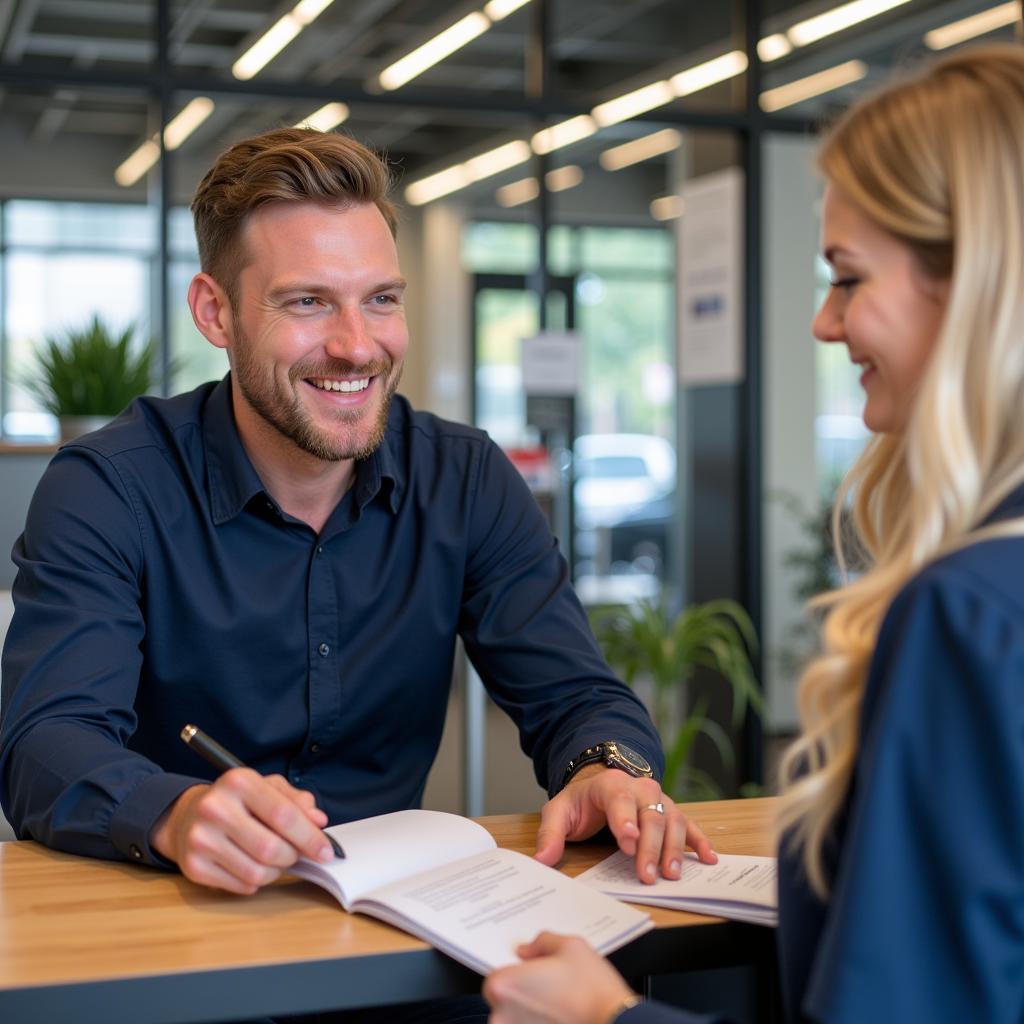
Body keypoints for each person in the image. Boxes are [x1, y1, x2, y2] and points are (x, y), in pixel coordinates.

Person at [0, 128, 715, 907]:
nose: (356, 346)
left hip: (405, 927)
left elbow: (576, 695)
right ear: (215, 312)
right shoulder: (111, 488)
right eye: (307, 301)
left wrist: (605, 765)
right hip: (182, 920)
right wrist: (174, 813)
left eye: (381, 299)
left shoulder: (464, 478)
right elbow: (44, 742)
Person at [484, 44, 1024, 1024]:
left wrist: (608, 1019)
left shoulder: (968, 614)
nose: (823, 324)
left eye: (848, 278)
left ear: (973, 285)